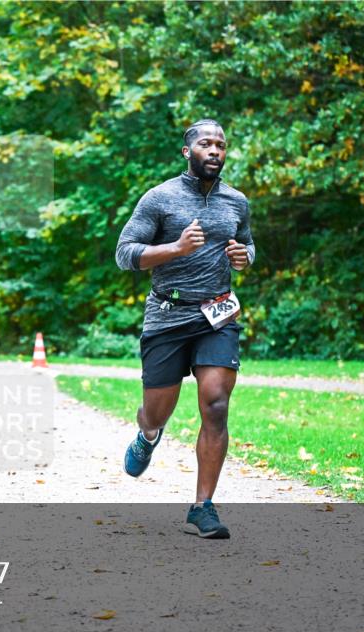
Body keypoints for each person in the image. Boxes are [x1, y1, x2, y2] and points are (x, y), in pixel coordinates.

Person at [114, 118, 255, 539]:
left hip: (217, 314)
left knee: (215, 404)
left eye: (221, 145)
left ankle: (202, 506)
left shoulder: (236, 201)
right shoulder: (159, 199)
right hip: (168, 314)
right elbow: (125, 254)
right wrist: (175, 248)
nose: (215, 151)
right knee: (157, 410)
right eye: (206, 144)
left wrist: (244, 257)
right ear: (187, 152)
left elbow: (247, 244)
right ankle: (148, 434)